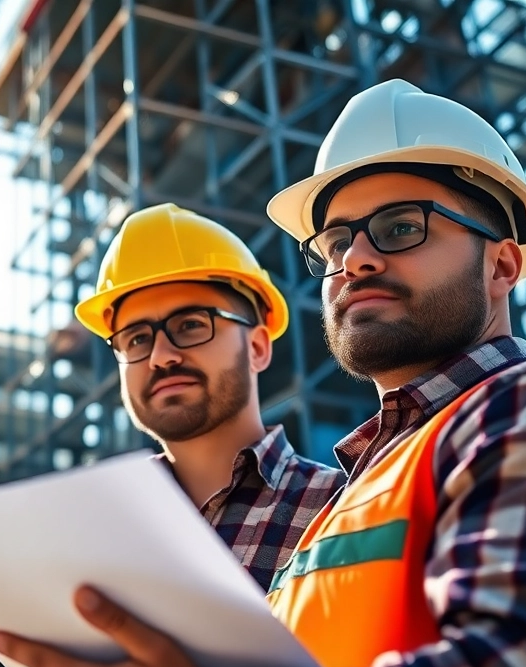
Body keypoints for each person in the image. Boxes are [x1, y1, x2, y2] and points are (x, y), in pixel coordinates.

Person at [0, 78, 526, 667]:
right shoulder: (352, 505)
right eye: (334, 245)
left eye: (400, 227)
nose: (355, 259)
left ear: (502, 265)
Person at [73, 202, 344, 591]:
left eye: (190, 325)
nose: (161, 356)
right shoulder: (94, 531)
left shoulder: (341, 509)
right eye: (136, 339)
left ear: (257, 348)